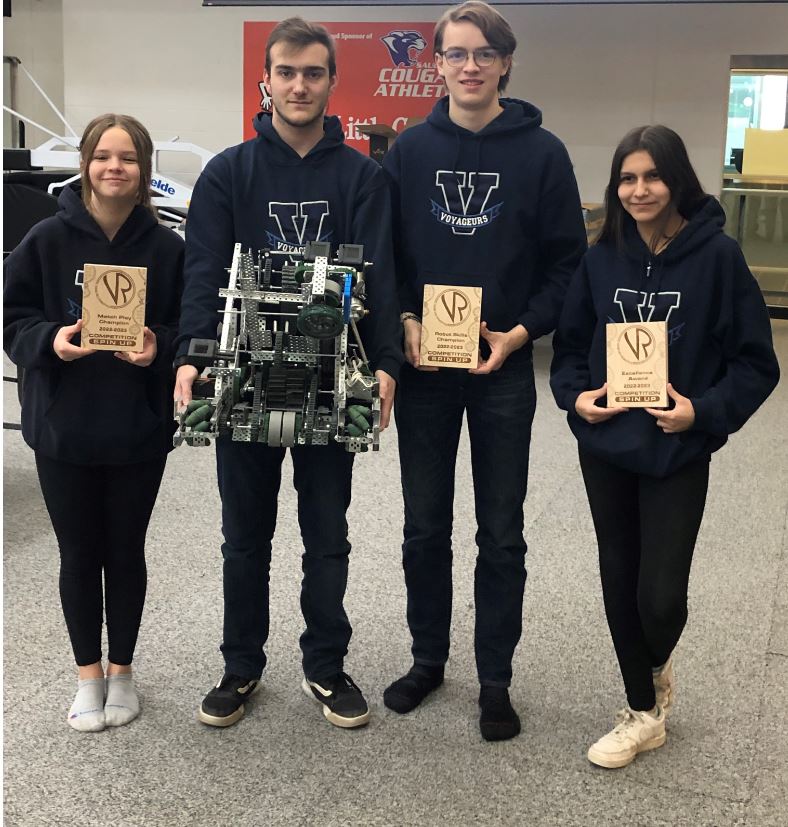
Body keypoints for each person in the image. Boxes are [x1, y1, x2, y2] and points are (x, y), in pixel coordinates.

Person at [173, 18, 402, 730]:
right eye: (286, 72)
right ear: (266, 81)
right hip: (243, 377)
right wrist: (192, 353)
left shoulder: (362, 175)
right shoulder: (227, 172)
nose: (298, 85)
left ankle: (325, 665)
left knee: (326, 531)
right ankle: (240, 664)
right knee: (245, 534)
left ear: (333, 82)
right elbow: (204, 272)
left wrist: (388, 363)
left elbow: (380, 276)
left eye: (312, 73)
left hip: (329, 382)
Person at [382, 0, 587, 741]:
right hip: (427, 370)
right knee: (423, 527)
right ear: (435, 63)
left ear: (505, 62)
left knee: (501, 531)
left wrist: (522, 333)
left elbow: (569, 264)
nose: (469, 65)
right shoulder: (406, 154)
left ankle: (495, 677)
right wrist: (404, 319)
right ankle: (428, 658)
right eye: (455, 52)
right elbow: (386, 260)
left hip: (502, 366)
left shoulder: (544, 154)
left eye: (483, 53)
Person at [550, 125, 779, 769]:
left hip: (677, 449)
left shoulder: (718, 258)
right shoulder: (600, 258)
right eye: (627, 177)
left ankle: (653, 664)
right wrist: (577, 398)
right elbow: (569, 352)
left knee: (660, 597)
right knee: (619, 579)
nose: (639, 189)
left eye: (652, 176)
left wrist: (700, 412)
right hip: (605, 446)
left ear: (678, 180)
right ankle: (641, 711)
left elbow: (757, 364)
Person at [3, 113, 184, 732]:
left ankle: (124, 671)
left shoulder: (168, 249)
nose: (115, 167)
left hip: (138, 429)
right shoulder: (46, 240)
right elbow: (12, 319)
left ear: (143, 172)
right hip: (64, 427)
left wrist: (157, 346)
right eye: (103, 156)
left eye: (128, 158)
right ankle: (88, 675)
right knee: (78, 552)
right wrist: (51, 340)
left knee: (126, 551)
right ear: (85, 164)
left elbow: (190, 331)